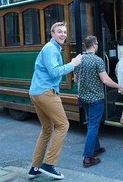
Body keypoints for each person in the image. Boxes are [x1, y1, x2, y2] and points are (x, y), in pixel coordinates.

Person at [28, 22, 82, 180]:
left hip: (36, 92)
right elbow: (53, 72)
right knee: (63, 125)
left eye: (65, 32)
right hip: (46, 92)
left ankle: (35, 167)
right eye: (59, 32)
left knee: (47, 129)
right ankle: (49, 164)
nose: (63, 34)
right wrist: (72, 64)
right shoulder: (51, 48)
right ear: (52, 33)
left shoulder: (51, 48)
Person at [75, 36, 123, 168]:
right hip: (96, 99)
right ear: (94, 45)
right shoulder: (97, 60)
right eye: (97, 43)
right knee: (93, 126)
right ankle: (87, 157)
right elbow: (105, 80)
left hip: (84, 98)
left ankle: (95, 148)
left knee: (91, 123)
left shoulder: (78, 60)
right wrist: (119, 86)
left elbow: (75, 80)